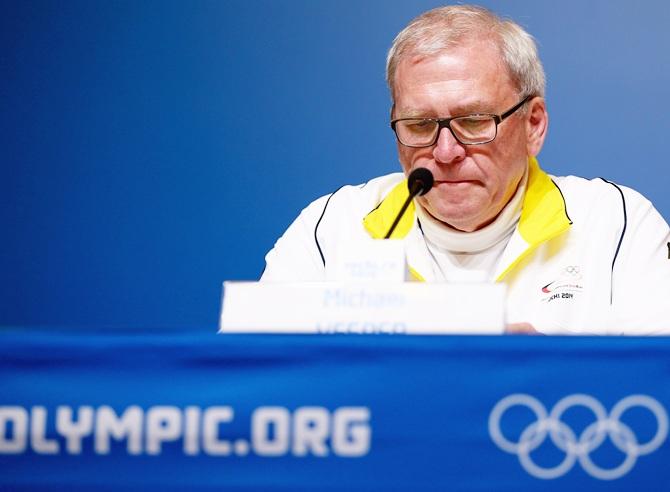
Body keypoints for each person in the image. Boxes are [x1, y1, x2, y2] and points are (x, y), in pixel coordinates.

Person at [260, 5, 670, 335]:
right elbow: (254, 382)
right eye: (419, 125)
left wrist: (549, 370)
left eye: (474, 121)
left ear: (533, 125)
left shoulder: (618, 225)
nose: (445, 151)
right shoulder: (331, 230)